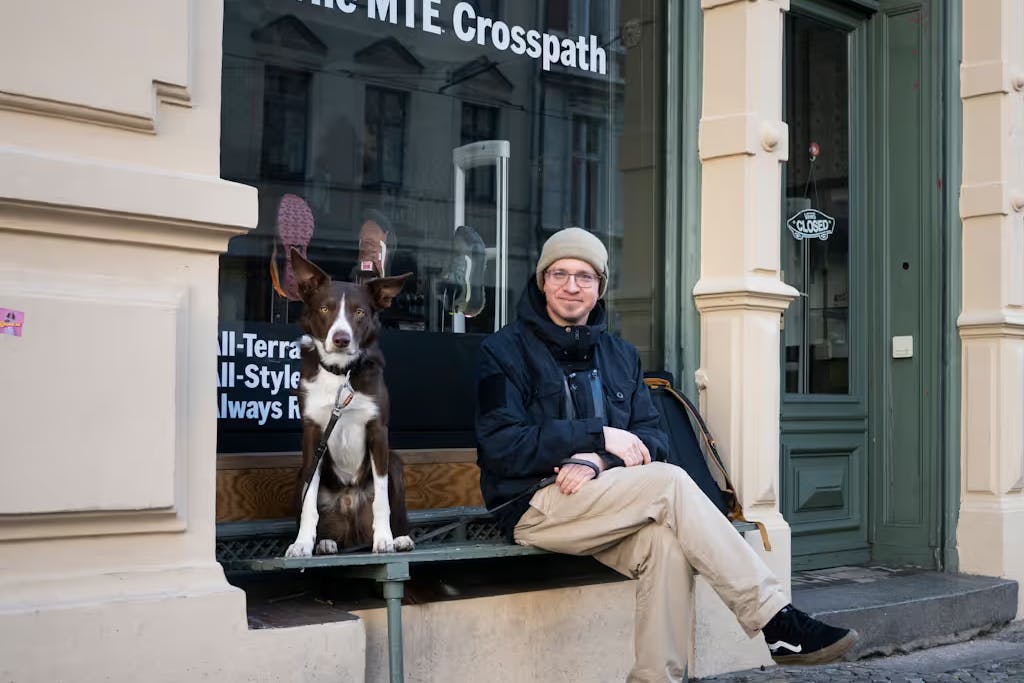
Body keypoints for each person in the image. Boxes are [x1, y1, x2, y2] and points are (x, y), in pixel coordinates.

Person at [475, 227, 858, 682]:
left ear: (600, 288)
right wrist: (598, 435)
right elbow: (502, 447)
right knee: (670, 481)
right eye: (559, 274)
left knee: (668, 546)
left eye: (585, 276)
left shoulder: (620, 355)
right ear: (542, 281)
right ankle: (776, 620)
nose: (571, 286)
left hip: (603, 497)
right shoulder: (501, 351)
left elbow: (652, 439)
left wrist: (597, 458)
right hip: (534, 502)